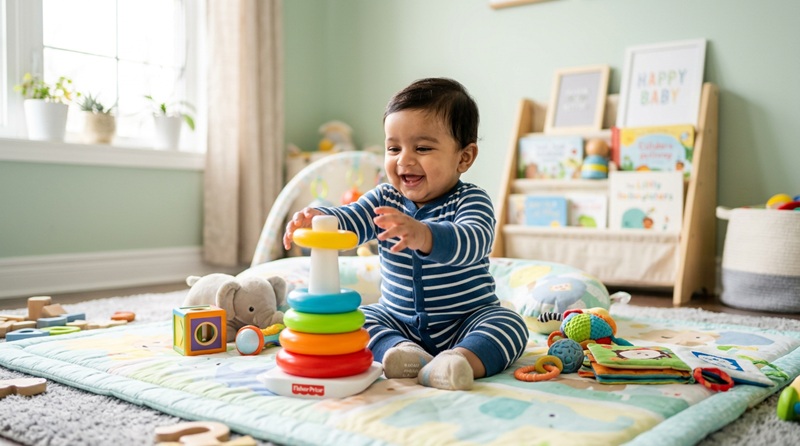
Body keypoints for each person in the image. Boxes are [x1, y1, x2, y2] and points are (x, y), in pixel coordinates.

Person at [283, 77, 528, 391]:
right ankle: (404, 354)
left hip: (466, 320)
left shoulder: (470, 199)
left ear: (463, 157)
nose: (404, 160)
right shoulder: (385, 198)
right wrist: (321, 218)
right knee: (358, 318)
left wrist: (424, 235)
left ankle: (459, 361)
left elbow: (474, 241)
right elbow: (352, 220)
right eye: (393, 148)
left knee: (508, 323)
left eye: (422, 148)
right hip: (398, 321)